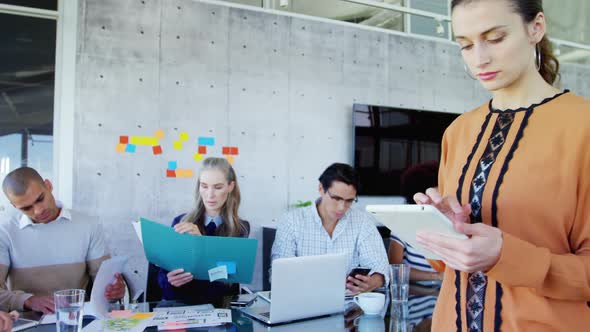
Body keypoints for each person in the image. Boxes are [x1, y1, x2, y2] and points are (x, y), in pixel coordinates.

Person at [412, 0, 590, 330]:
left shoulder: (584, 126)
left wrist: (506, 257)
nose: (479, 59)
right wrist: (445, 229)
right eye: (465, 45)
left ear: (536, 27)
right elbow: (446, 266)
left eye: (495, 38)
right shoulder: (458, 131)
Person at [0, 167, 125, 314]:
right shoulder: (5, 232)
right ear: (14, 206)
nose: (38, 210)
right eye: (27, 208)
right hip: (25, 322)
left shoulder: (88, 225)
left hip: (76, 318)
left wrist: (114, 291)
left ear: (48, 185)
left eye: (40, 199)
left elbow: (104, 283)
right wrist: (27, 300)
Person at [271, 163, 389, 294]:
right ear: (321, 188)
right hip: (303, 302)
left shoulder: (362, 221)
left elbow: (381, 268)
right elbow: (279, 275)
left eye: (349, 200)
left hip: (350, 305)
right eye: (336, 198)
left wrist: (371, 282)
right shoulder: (292, 221)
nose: (341, 207)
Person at [157, 157, 250, 307]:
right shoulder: (181, 222)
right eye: (204, 186)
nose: (210, 194)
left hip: (219, 309)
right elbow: (162, 279)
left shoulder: (240, 229)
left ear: (230, 186)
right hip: (180, 306)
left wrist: (202, 243)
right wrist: (170, 280)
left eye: (218, 187)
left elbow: (227, 283)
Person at [388, 161, 444, 283]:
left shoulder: (447, 221)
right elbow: (394, 269)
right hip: (416, 294)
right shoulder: (402, 223)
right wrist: (438, 276)